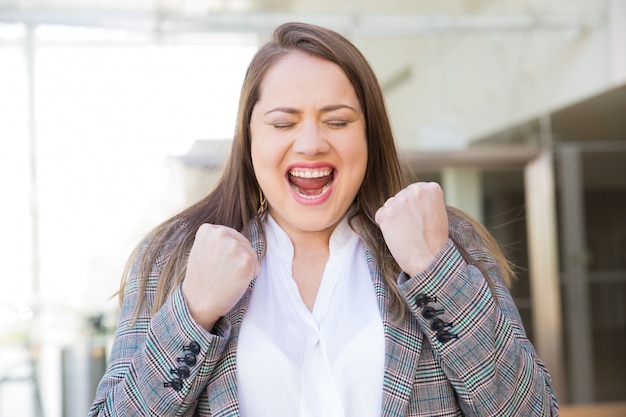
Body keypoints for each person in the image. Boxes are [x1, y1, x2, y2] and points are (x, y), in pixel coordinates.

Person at [89, 21, 559, 417]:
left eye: (337, 121)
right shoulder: (175, 258)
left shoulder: (446, 243)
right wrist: (192, 314)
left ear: (369, 135)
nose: (311, 143)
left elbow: (532, 409)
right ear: (249, 139)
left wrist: (437, 272)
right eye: (282, 123)